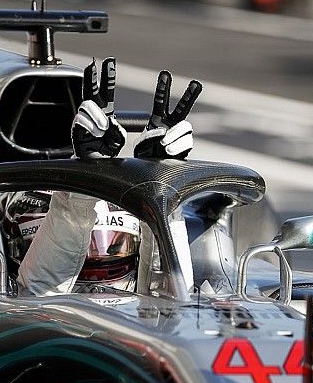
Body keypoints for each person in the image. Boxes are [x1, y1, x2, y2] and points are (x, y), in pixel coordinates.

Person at [15, 58, 202, 296]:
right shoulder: (18, 314)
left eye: (114, 246)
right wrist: (80, 192)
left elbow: (168, 308)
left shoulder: (154, 323)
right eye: (87, 255)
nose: (97, 279)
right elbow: (35, 297)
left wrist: (160, 182)